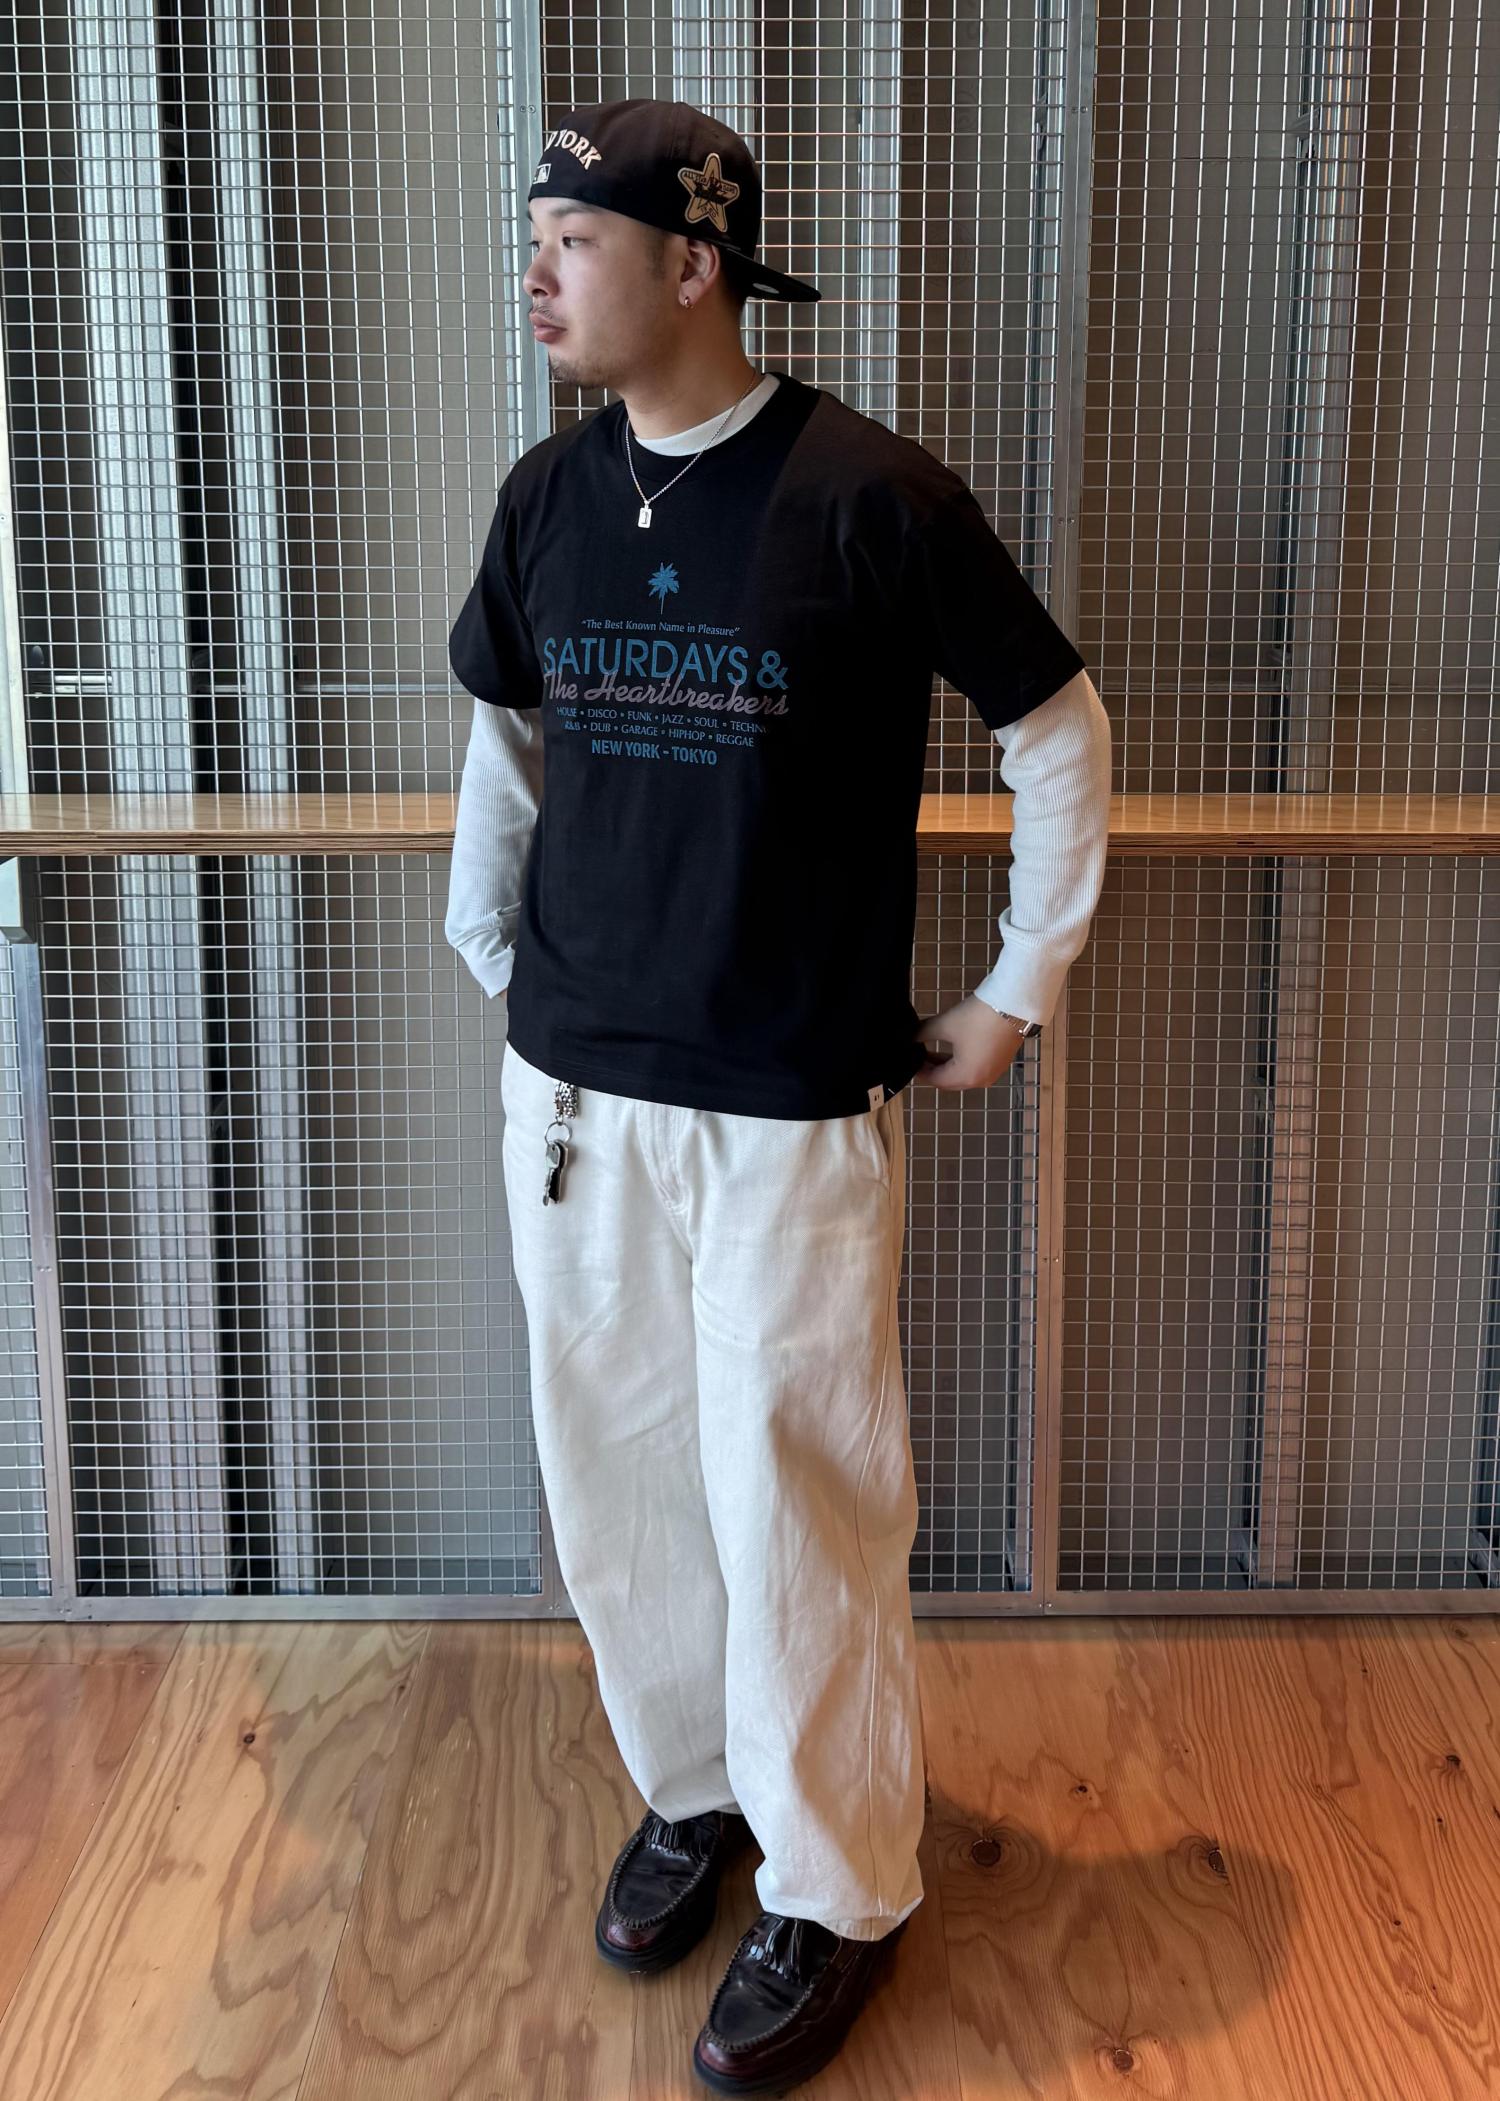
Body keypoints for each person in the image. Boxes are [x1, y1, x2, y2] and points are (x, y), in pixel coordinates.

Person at [445, 95, 1112, 2097]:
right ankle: (698, 1788)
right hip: (576, 1100)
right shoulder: (549, 496)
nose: (538, 271)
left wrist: (1017, 985)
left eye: (572, 239)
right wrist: (496, 954)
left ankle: (836, 1884)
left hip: (788, 1107)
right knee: (621, 1476)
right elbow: (506, 733)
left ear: (694, 263)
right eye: (537, 235)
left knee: (794, 1491)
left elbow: (1057, 726)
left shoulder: (871, 497)